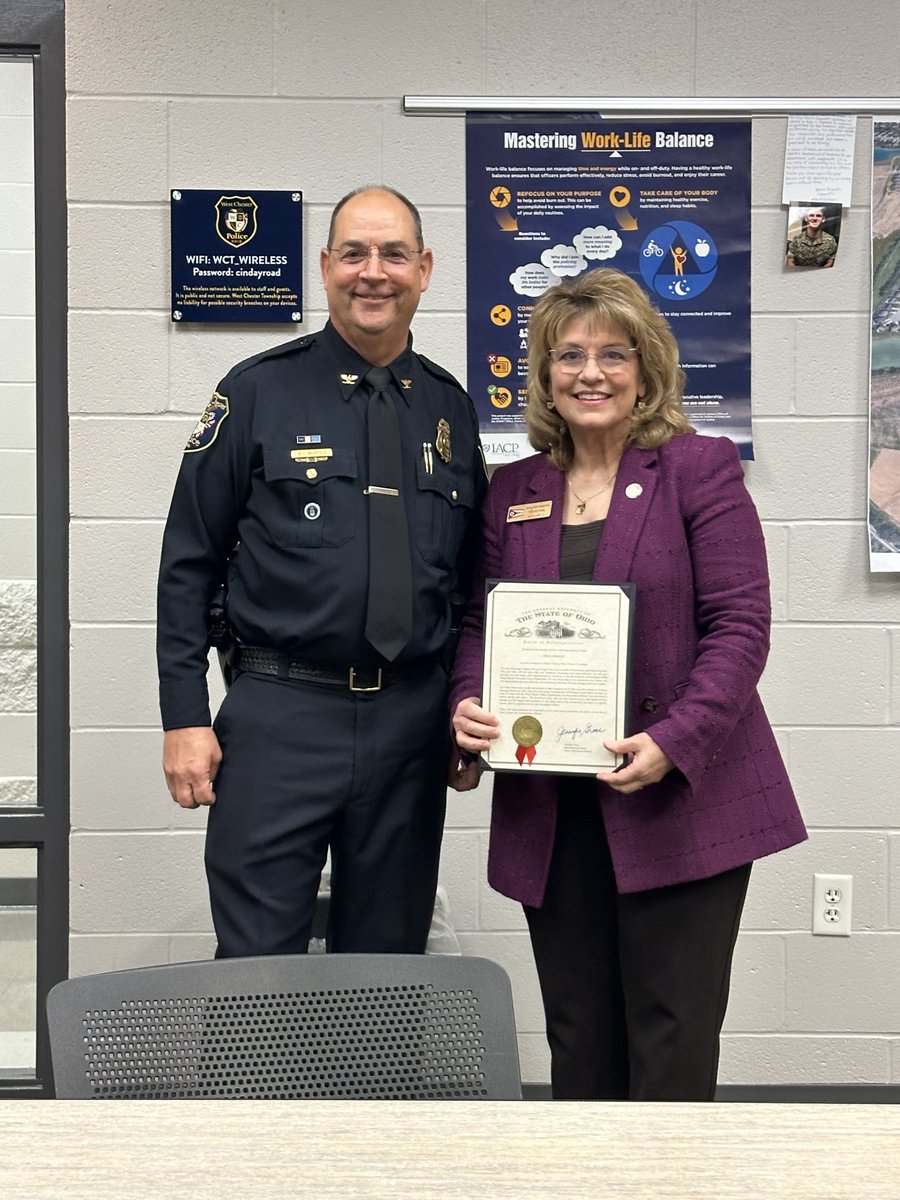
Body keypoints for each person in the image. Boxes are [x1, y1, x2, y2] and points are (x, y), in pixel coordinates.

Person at [449, 268, 807, 1101]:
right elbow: (479, 624)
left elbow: (740, 627)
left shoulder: (698, 469)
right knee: (579, 1040)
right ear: (543, 375)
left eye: (614, 353)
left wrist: (671, 741)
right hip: (555, 805)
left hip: (678, 798)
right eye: (568, 355)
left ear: (646, 369)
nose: (591, 373)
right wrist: (467, 704)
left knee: (671, 1038)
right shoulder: (515, 491)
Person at [158, 185, 486, 957]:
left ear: (426, 269)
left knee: (385, 968)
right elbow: (188, 563)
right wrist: (183, 716)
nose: (374, 273)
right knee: (255, 969)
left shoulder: (450, 409)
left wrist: (462, 710)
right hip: (280, 714)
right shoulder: (256, 390)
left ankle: (370, 1086)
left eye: (394, 254)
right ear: (324, 266)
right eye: (354, 254)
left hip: (411, 722)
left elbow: (471, 585)